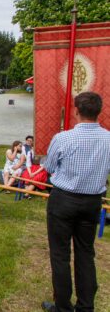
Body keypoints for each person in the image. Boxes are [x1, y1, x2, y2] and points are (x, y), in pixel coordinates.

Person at [41, 92, 110, 312]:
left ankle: (63, 307)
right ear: (98, 112)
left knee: (60, 255)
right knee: (85, 253)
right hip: (91, 201)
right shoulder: (108, 139)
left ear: (76, 111)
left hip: (64, 199)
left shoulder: (63, 138)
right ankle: (85, 306)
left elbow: (49, 168)